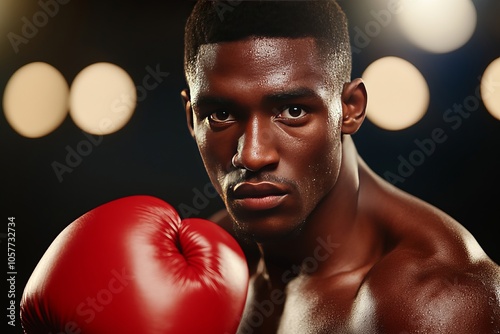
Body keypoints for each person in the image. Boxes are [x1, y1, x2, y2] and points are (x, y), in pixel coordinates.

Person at [180, 1, 500, 333]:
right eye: (220, 115)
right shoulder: (207, 258)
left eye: (292, 111)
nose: (252, 156)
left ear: (350, 109)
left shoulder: (435, 298)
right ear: (191, 118)